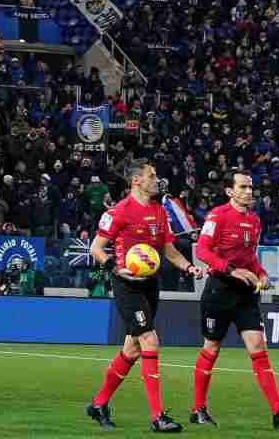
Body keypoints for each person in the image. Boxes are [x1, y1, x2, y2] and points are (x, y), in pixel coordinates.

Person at [86, 159, 205, 433]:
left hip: (151, 284)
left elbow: (170, 251)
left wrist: (189, 267)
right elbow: (96, 248)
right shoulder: (119, 211)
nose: (156, 179)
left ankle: (99, 403)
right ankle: (157, 417)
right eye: (152, 176)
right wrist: (116, 269)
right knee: (150, 342)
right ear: (136, 180)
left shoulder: (160, 211)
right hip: (127, 285)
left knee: (132, 349)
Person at [191, 170, 279, 430]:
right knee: (211, 349)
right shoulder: (217, 216)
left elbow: (250, 258)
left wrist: (262, 274)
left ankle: (278, 411)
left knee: (258, 348)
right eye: (243, 187)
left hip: (245, 294)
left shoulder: (254, 221)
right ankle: (198, 409)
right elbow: (201, 250)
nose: (249, 191)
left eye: (250, 187)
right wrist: (232, 270)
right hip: (219, 290)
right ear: (230, 191)